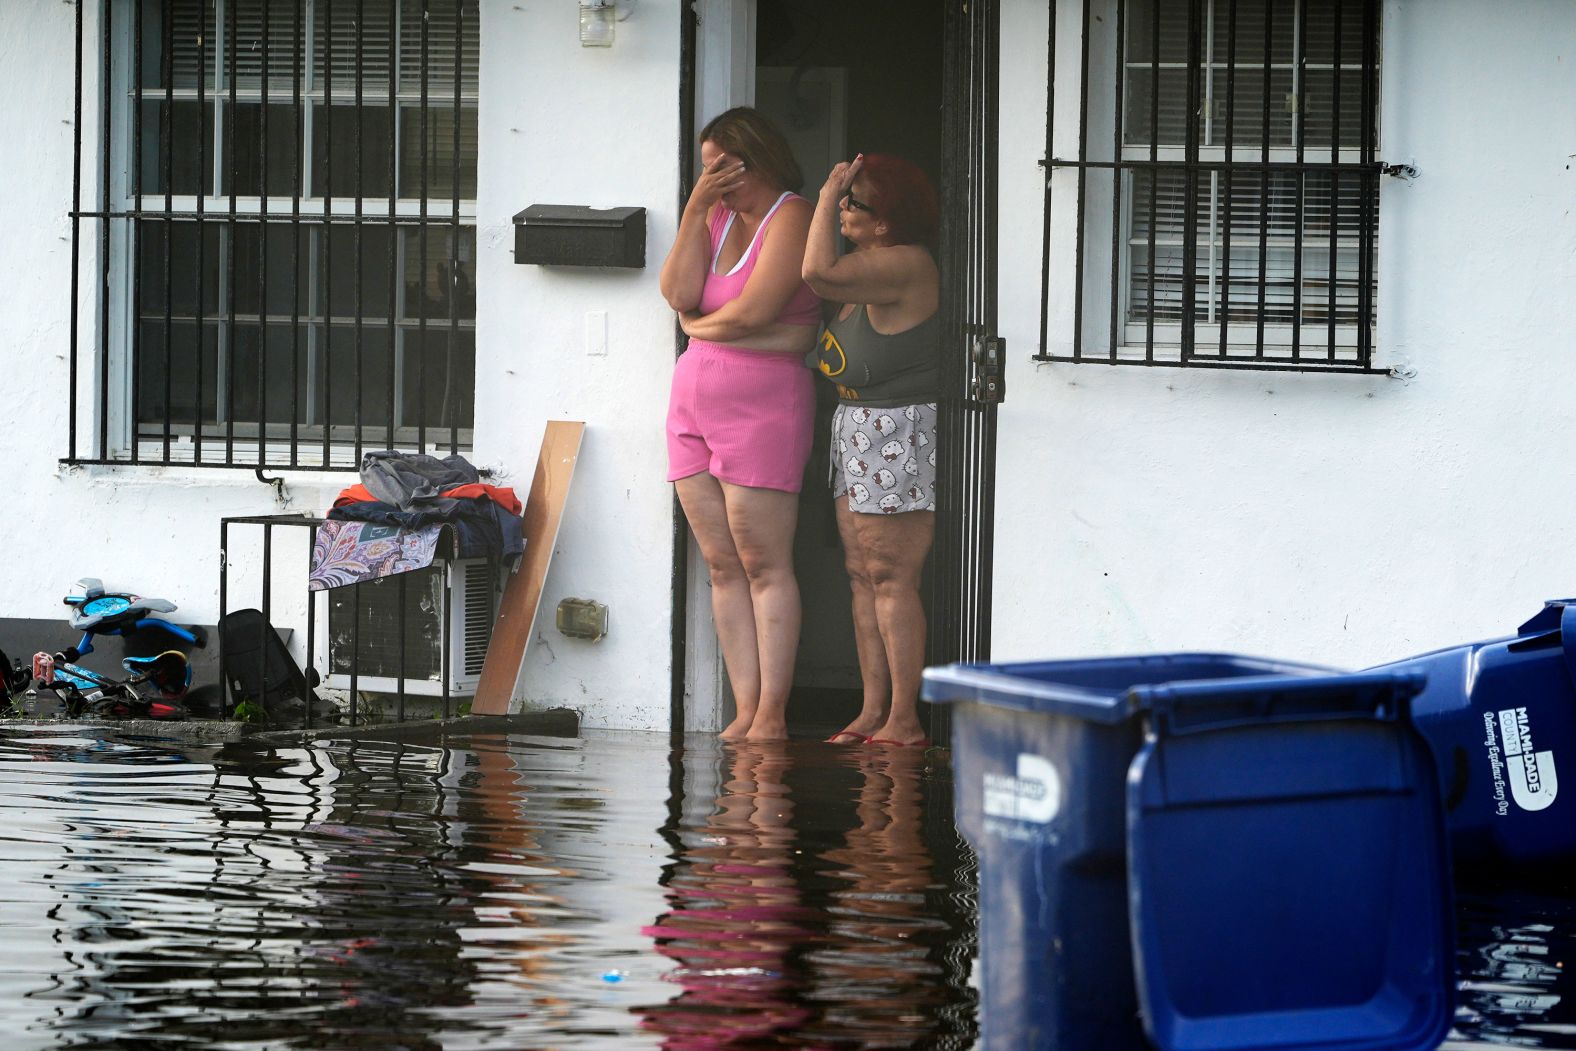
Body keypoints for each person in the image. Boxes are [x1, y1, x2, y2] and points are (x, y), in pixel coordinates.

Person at [659, 107, 821, 742]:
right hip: (693, 406)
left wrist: (698, 328)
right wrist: (695, 210)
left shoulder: (794, 214)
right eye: (705, 170)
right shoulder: (716, 214)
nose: (712, 178)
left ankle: (774, 714)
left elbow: (754, 312)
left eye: (718, 168)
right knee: (720, 563)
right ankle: (745, 709)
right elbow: (676, 292)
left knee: (763, 562)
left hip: (763, 409)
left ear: (751, 159)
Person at [802, 154, 941, 748]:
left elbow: (814, 272)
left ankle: (905, 721)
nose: (841, 207)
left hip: (895, 430)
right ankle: (872, 710)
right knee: (862, 576)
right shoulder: (865, 269)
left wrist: (823, 188)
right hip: (853, 428)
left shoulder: (904, 264)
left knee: (891, 576)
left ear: (884, 222)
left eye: (853, 201)